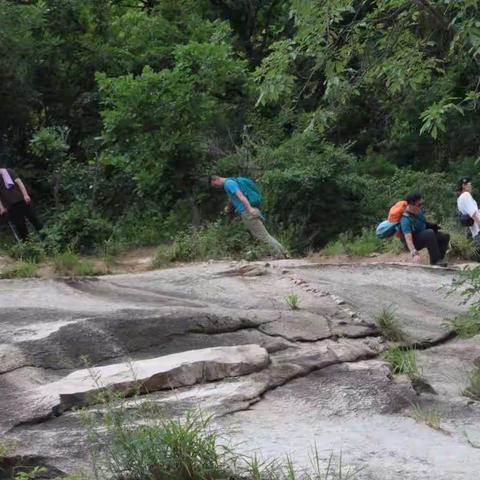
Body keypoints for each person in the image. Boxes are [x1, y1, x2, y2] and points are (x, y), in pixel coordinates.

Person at [210, 175, 287, 258]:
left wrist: (250, 209)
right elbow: (233, 197)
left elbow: (241, 197)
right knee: (265, 235)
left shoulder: (229, 184)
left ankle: (279, 255)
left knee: (262, 236)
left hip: (247, 212)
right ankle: (284, 253)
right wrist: (228, 207)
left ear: (216, 179)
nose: (216, 187)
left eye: (214, 185)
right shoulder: (231, 181)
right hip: (251, 210)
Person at [399, 192, 450, 266]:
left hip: (423, 236)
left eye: (421, 203)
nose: (421, 206)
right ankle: (435, 261)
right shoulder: (405, 219)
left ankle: (439, 260)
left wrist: (432, 226)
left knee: (444, 236)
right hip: (413, 242)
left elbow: (422, 224)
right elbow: (408, 240)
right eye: (419, 204)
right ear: (411, 205)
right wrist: (414, 253)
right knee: (429, 233)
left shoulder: (418, 212)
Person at [0, 167, 42, 241]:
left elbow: (19, 182)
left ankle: (46, 238)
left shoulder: (8, 171)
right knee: (21, 227)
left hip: (22, 200)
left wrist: (25, 195)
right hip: (10, 206)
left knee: (34, 219)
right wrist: (1, 208)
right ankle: (28, 247)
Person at [456, 176, 480, 244]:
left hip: (475, 232)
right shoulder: (465, 195)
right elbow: (473, 213)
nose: (471, 185)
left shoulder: (459, 199)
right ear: (464, 185)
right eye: (470, 184)